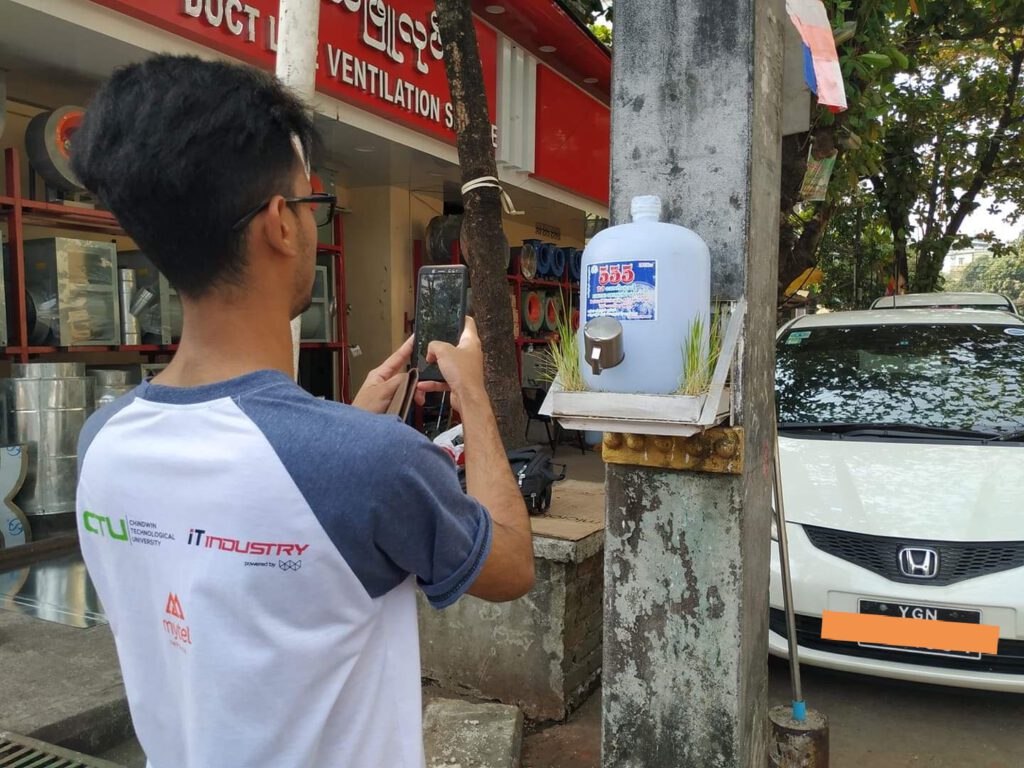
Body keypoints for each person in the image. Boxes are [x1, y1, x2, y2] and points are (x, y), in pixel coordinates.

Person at [72, 54, 534, 767]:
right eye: (311, 202)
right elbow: (509, 567)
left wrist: (342, 425)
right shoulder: (369, 463)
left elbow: (241, 530)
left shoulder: (101, 441)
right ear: (282, 224)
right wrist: (472, 394)